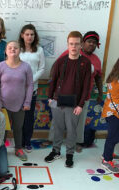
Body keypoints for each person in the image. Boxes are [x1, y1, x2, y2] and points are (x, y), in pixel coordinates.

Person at [44, 31, 91, 168]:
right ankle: (56, 151)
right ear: (67, 44)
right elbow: (53, 81)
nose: (74, 47)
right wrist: (49, 98)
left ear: (81, 45)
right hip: (58, 101)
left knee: (72, 130)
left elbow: (87, 86)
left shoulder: (85, 63)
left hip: (75, 104)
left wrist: (81, 105)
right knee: (57, 128)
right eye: (71, 44)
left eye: (77, 44)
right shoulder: (60, 61)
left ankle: (69, 154)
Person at [50, 31, 103, 150]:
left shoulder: (96, 60)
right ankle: (53, 141)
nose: (91, 45)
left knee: (78, 122)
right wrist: (54, 91)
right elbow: (55, 69)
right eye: (89, 42)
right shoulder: (69, 53)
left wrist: (100, 93)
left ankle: (76, 143)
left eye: (94, 43)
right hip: (63, 95)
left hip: (82, 97)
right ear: (82, 43)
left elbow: (99, 77)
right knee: (58, 121)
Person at [0, 41, 34, 161]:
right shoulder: (0, 66)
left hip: (20, 105)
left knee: (18, 128)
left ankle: (18, 149)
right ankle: (0, 149)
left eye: (15, 48)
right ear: (6, 51)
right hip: (3, 105)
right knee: (2, 129)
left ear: (19, 50)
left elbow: (30, 85)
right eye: (10, 48)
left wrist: (27, 102)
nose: (12, 50)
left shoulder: (26, 67)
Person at [18, 24, 45, 153]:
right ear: (22, 35)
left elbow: (42, 68)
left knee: (29, 118)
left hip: (32, 89)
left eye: (32, 34)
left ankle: (27, 142)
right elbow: (12, 65)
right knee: (18, 118)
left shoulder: (39, 50)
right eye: (27, 34)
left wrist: (31, 80)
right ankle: (19, 143)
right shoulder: (17, 49)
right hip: (17, 89)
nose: (29, 37)